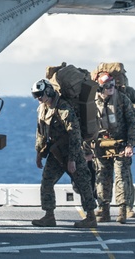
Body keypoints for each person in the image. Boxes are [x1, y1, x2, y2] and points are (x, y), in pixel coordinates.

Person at [31, 78, 97, 228]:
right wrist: (39, 153)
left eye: (40, 94)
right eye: (36, 96)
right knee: (46, 182)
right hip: (56, 153)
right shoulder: (43, 109)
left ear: (48, 91)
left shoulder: (64, 109)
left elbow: (74, 134)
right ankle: (49, 216)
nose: (38, 98)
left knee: (83, 184)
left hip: (71, 152)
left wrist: (72, 159)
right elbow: (41, 132)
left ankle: (91, 217)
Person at [92, 72, 135, 224]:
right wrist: (88, 148)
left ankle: (122, 210)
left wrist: (130, 145)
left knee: (121, 178)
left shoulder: (122, 100)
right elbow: (87, 125)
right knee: (102, 178)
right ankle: (104, 210)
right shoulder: (92, 102)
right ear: (100, 88)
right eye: (107, 86)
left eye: (112, 85)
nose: (110, 88)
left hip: (120, 145)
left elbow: (133, 123)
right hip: (101, 146)